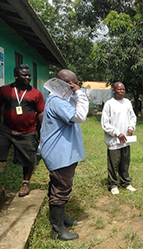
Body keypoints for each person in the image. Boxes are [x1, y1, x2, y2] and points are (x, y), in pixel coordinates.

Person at [40, 69, 89, 241]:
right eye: (76, 83)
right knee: (61, 188)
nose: (77, 85)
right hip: (59, 154)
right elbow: (80, 116)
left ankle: (60, 219)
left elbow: (74, 109)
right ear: (68, 84)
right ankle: (57, 229)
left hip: (64, 153)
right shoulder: (57, 101)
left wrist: (75, 95)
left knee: (60, 186)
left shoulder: (61, 99)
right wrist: (80, 94)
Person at [0, 64, 44, 197]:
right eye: (24, 75)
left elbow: (41, 112)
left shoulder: (36, 93)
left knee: (28, 158)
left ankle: (25, 183)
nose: (28, 77)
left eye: (29, 75)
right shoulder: (4, 90)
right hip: (6, 130)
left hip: (27, 131)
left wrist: (41, 132)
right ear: (16, 76)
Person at [101, 81, 137, 195]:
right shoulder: (109, 104)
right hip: (114, 140)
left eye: (123, 89)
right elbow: (105, 123)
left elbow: (132, 117)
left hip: (126, 139)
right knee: (113, 164)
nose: (121, 91)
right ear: (114, 91)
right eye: (119, 89)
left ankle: (126, 182)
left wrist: (131, 128)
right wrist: (117, 133)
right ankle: (113, 184)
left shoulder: (127, 102)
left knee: (125, 162)